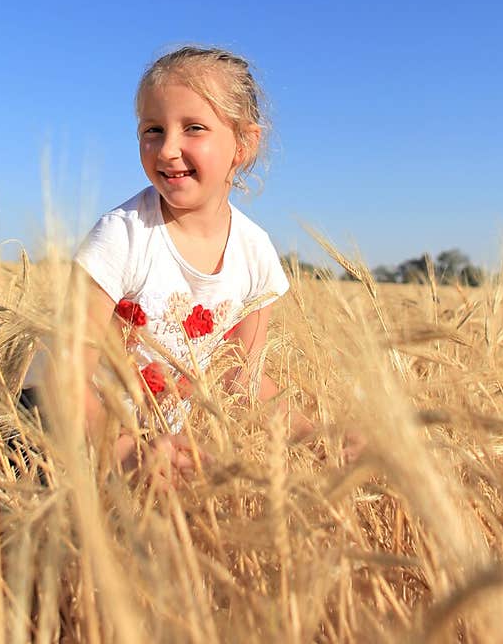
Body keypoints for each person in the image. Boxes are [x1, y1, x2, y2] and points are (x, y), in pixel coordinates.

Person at [23, 45, 311, 484]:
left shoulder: (256, 254)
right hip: (55, 430)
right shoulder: (121, 237)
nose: (167, 149)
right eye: (153, 130)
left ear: (245, 144)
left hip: (153, 446)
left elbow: (243, 379)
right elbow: (67, 378)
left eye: (194, 128)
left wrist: (315, 437)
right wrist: (122, 452)